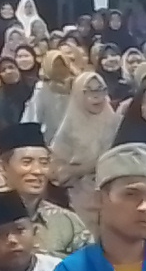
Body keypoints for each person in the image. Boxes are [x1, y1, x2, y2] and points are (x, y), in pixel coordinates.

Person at [0, 123, 90, 258]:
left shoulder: (67, 221)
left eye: (44, 163)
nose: (37, 171)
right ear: (3, 167)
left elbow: (91, 266)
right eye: (27, 162)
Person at [49, 71, 116, 222]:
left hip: (112, 196)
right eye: (89, 91)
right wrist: (77, 170)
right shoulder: (69, 127)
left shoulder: (116, 122)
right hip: (80, 198)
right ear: (78, 94)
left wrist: (87, 168)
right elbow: (56, 171)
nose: (96, 96)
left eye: (100, 89)